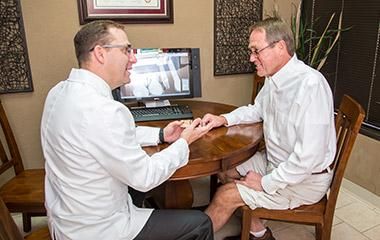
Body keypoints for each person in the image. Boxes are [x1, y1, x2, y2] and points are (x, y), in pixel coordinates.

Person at [41, 20, 214, 240]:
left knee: (140, 189)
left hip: (66, 216)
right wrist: (184, 142)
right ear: (100, 54)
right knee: (200, 224)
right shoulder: (105, 110)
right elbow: (146, 176)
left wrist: (160, 135)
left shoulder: (59, 92)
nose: (133, 58)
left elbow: (103, 135)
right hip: (98, 229)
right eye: (126, 50)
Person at [202, 17, 336, 240]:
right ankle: (259, 232)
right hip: (276, 162)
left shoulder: (310, 86)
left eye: (256, 51)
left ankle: (194, 234)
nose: (251, 58)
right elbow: (257, 110)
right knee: (224, 166)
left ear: (280, 47)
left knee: (226, 195)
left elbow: (307, 159)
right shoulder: (274, 79)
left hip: (305, 179)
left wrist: (264, 183)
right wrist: (223, 119)